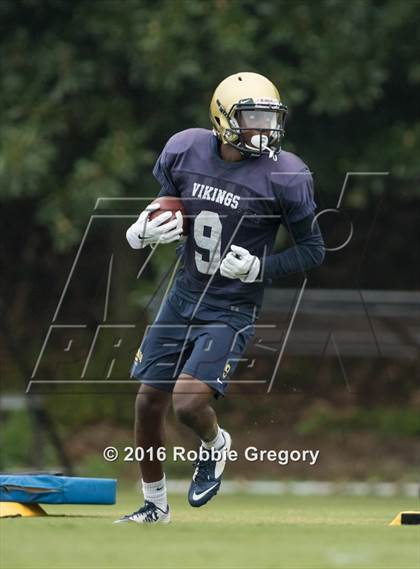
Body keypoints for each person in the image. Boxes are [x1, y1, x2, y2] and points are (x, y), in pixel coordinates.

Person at [116, 72, 325, 524]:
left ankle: (215, 444)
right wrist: (139, 231)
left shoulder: (286, 175)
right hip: (183, 294)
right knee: (147, 401)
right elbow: (166, 204)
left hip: (231, 304)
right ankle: (154, 505)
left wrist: (259, 268)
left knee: (188, 404)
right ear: (223, 118)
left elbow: (314, 249)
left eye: (270, 118)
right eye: (253, 117)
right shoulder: (186, 149)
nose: (264, 129)